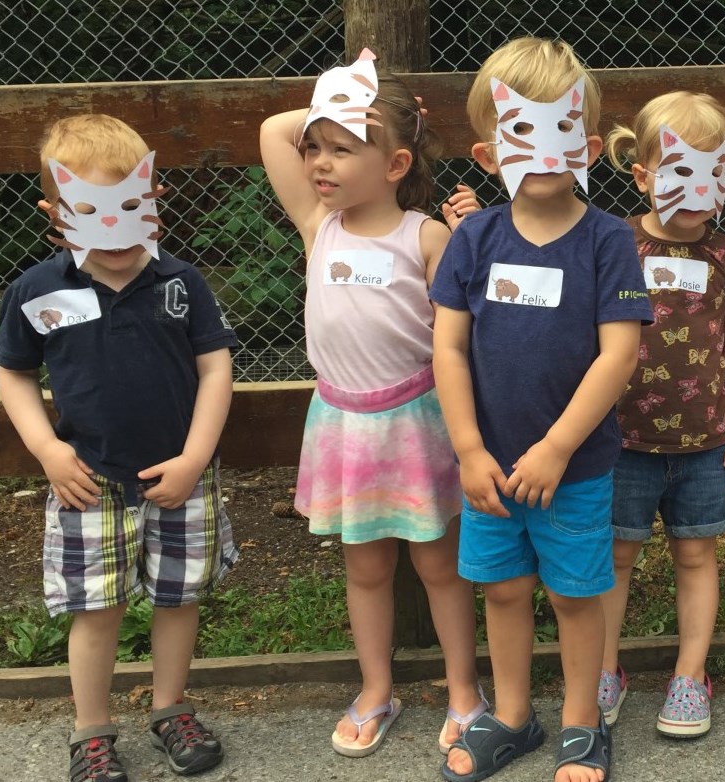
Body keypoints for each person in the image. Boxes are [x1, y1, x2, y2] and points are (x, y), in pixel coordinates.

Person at [430, 37, 653, 782]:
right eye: (523, 132)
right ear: (489, 154)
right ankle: (517, 718)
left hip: (576, 469)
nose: (546, 151)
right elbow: (450, 349)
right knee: (503, 590)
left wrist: (558, 447)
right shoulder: (474, 239)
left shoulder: (609, 241)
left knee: (575, 594)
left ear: (588, 144)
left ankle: (583, 723)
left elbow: (618, 354)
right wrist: (467, 448)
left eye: (562, 132)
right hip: (490, 468)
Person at [0, 114, 238, 782]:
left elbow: (216, 368)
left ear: (152, 196)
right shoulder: (39, 290)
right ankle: (92, 732)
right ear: (56, 210)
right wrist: (45, 447)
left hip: (181, 476)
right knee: (95, 608)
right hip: (88, 479)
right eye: (93, 210)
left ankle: (170, 709)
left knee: (177, 598)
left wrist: (194, 458)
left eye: (130, 206)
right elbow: (14, 371)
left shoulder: (181, 283)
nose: (115, 231)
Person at [258, 50, 484, 758]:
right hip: (343, 426)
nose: (319, 163)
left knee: (441, 567)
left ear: (394, 165)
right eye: (315, 149)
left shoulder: (427, 237)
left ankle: (464, 692)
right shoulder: (315, 223)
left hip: (418, 423)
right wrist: (345, 96)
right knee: (366, 569)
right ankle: (376, 689)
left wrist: (384, 111)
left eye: (341, 149)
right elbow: (273, 130)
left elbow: (460, 342)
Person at [597, 91, 725, 738]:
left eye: (714, 172)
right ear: (642, 175)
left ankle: (691, 675)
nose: (701, 186)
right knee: (614, 560)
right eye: (682, 170)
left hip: (703, 446)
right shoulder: (615, 244)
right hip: (623, 443)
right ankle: (602, 667)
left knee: (697, 558)